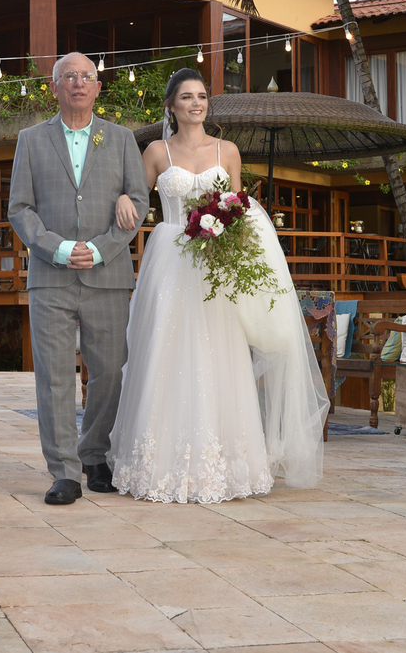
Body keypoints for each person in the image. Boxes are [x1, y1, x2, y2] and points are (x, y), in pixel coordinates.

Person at [108, 68, 329, 504]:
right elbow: (134, 195)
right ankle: (159, 463)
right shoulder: (155, 150)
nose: (196, 103)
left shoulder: (228, 151)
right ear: (171, 105)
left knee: (218, 352)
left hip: (217, 264)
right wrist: (119, 196)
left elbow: (239, 207)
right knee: (163, 353)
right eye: (186, 97)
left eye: (202, 96)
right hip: (169, 258)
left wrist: (233, 238)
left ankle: (226, 463)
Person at [8, 52, 149, 505]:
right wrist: (61, 249)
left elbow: (139, 204)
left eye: (87, 76)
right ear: (54, 87)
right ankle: (64, 471)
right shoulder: (30, 140)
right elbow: (20, 209)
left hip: (108, 275)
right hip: (50, 278)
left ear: (98, 87)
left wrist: (103, 248)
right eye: (69, 76)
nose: (78, 83)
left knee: (109, 371)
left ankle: (94, 454)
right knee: (54, 376)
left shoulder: (123, 138)